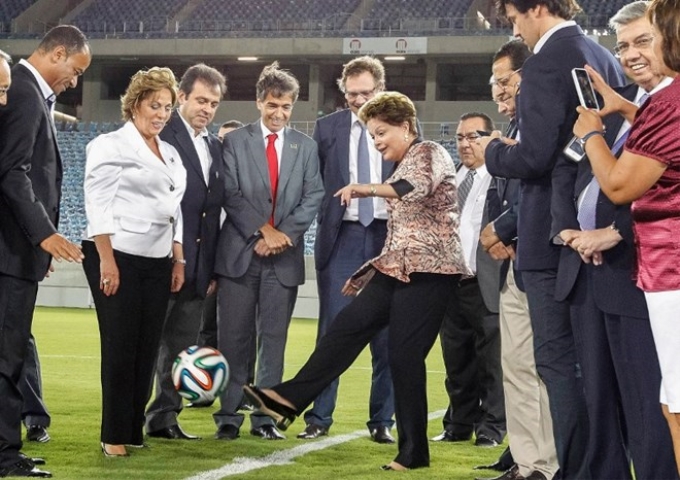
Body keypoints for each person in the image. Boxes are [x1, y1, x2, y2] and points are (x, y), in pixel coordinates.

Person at [244, 91, 469, 471]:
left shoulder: (429, 152)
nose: (377, 141)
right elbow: (402, 237)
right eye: (372, 135)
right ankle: (286, 400)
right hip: (395, 270)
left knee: (403, 357)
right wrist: (368, 271)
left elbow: (410, 189)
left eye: (382, 132)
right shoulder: (401, 164)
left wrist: (363, 188)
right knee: (346, 327)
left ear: (406, 127)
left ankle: (413, 453)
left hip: (432, 274)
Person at [475, 0, 625, 478]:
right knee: (591, 365)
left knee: (558, 363)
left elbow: (535, 157)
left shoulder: (545, 60)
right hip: (592, 220)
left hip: (549, 234)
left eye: (513, 16)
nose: (513, 27)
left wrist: (493, 152)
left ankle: (578, 470)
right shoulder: (599, 53)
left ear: (535, 7)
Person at [556, 3, 678, 479]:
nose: (629, 55)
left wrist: (591, 134)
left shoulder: (668, 101)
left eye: (643, 41)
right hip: (648, 273)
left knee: (666, 404)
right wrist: (624, 107)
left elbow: (621, 187)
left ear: (670, 39)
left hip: (663, 270)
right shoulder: (654, 102)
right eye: (623, 45)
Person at [212, 62, 323, 441]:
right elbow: (230, 193)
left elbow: (314, 197)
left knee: (274, 341)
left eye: (287, 107)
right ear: (259, 102)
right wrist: (263, 230)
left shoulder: (306, 147)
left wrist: (281, 235)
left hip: (284, 259)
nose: (279, 113)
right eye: (273, 105)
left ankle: (264, 419)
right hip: (239, 256)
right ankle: (228, 415)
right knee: (233, 341)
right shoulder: (234, 142)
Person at [0, 26, 91, 478]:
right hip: (9, 253)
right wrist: (43, 236)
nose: (74, 81)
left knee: (11, 355)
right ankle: (3, 454)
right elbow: (13, 173)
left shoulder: (30, 94)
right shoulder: (21, 91)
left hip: (19, 253)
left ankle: (8, 448)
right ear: (58, 53)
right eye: (74, 71)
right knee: (6, 356)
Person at [82, 67, 186, 458]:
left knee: (146, 348)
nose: (161, 113)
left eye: (168, 107)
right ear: (136, 103)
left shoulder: (172, 153)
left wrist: (179, 260)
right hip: (117, 257)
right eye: (154, 105)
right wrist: (107, 261)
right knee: (121, 347)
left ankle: (132, 428)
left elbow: (176, 211)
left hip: (159, 261)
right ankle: (112, 435)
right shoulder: (109, 145)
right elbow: (98, 206)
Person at [301, 55, 395, 443]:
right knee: (334, 333)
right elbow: (315, 187)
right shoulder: (326, 130)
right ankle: (319, 418)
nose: (358, 100)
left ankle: (381, 422)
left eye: (366, 93)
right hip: (343, 240)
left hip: (387, 239)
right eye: (352, 94)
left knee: (387, 335)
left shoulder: (402, 126)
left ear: (381, 90)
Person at [476, 40, 559, 480]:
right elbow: (500, 190)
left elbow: (539, 190)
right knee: (519, 368)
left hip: (542, 262)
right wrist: (498, 231)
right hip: (516, 262)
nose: (499, 92)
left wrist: (504, 229)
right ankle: (531, 464)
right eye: (495, 85)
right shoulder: (517, 127)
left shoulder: (538, 125)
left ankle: (543, 465)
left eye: (504, 82)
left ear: (527, 77)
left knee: (539, 368)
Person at [144, 64, 226, 438]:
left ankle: (164, 418)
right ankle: (128, 417)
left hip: (198, 268)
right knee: (146, 346)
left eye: (214, 103)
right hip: (161, 260)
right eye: (201, 100)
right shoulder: (163, 133)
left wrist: (210, 269)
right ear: (182, 98)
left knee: (180, 350)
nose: (207, 108)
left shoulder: (214, 146)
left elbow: (213, 214)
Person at [433, 112, 506, 449]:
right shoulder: (450, 178)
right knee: (456, 360)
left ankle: (491, 429)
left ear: (491, 137)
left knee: (492, 362)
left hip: (487, 281)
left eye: (473, 136)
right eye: (460, 137)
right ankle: (458, 425)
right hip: (450, 282)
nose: (465, 143)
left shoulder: (502, 176)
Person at [191, 119, 245, 410]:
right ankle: (204, 389)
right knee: (206, 329)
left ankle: (244, 393)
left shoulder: (248, 177)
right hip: (211, 264)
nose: (226, 146)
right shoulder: (208, 176)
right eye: (222, 140)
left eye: (232, 141)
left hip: (240, 263)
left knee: (243, 331)